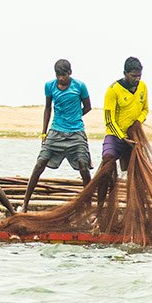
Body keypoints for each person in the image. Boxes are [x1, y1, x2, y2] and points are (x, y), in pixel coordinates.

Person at [21, 59, 92, 212]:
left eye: (64, 75)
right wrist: (44, 133)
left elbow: (88, 107)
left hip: (76, 132)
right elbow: (48, 109)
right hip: (55, 132)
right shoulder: (49, 86)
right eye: (58, 75)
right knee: (40, 163)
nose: (61, 78)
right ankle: (25, 204)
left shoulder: (79, 86)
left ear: (70, 73)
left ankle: (89, 207)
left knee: (83, 166)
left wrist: (74, 117)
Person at [102, 56, 148, 170]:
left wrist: (138, 122)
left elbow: (145, 109)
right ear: (125, 73)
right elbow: (109, 121)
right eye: (133, 76)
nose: (137, 79)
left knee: (138, 168)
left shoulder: (142, 86)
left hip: (133, 137)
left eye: (139, 76)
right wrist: (122, 138)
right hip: (115, 136)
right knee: (108, 159)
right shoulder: (113, 90)